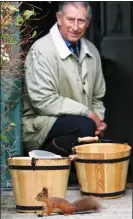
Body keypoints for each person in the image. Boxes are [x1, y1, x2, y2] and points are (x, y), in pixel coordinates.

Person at [22, 2, 107, 157]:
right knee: (85, 126)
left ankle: (73, 163)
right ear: (59, 18)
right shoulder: (41, 50)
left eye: (81, 21)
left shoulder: (92, 51)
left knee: (94, 134)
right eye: (70, 19)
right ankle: (43, 157)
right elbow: (44, 100)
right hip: (41, 127)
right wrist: (88, 114)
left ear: (88, 22)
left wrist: (98, 122)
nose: (75, 27)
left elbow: (97, 96)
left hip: (80, 125)